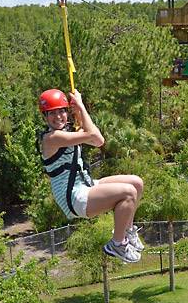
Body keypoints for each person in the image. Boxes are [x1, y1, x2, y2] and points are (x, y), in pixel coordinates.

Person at [38, 88, 144, 263]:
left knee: (136, 183)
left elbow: (97, 140)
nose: (58, 117)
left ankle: (128, 230)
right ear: (45, 116)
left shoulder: (69, 131)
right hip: (73, 197)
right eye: (52, 113)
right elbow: (96, 137)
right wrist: (80, 105)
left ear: (67, 112)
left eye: (62, 111)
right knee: (128, 193)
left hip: (86, 184)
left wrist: (79, 112)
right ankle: (117, 243)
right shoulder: (52, 138)